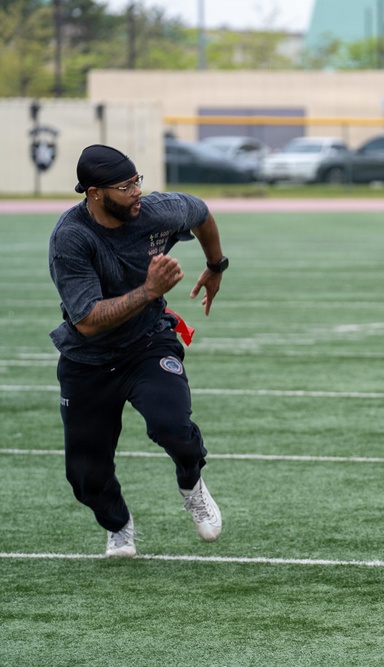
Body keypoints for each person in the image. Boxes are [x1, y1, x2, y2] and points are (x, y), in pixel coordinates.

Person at [48, 144, 228, 558]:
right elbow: (88, 320)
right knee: (85, 477)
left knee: (173, 427)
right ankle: (118, 525)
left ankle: (192, 483)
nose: (136, 192)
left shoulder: (155, 211)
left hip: (148, 342)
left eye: (137, 181)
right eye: (125, 186)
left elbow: (200, 212)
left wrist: (215, 265)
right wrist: (148, 290)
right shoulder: (71, 238)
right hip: (88, 359)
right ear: (95, 193)